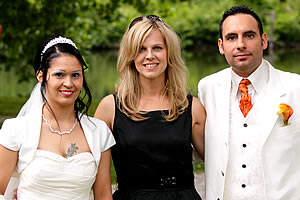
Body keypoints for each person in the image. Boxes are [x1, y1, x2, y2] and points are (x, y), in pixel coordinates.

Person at [94, 15, 206, 200]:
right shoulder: (109, 108)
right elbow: (101, 185)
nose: (149, 56)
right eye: (141, 49)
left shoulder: (192, 107)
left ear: (169, 53)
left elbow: (219, 164)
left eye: (157, 48)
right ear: (130, 56)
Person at [198, 5, 300, 200]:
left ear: (263, 41)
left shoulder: (296, 87)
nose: (240, 44)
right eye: (231, 38)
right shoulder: (207, 88)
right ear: (221, 46)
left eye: (249, 36)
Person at [0, 36, 115, 200]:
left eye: (75, 75)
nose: (68, 83)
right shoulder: (16, 129)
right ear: (41, 76)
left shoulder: (99, 131)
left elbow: (103, 195)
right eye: (59, 75)